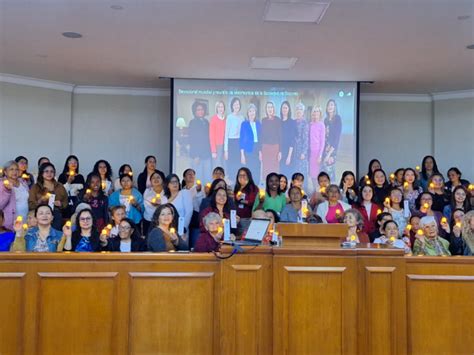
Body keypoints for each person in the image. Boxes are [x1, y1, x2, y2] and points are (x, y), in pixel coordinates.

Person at [28, 162, 68, 230]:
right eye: (46, 171)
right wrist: (40, 201)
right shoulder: (35, 187)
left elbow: (66, 202)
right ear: (41, 173)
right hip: (40, 216)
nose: (49, 174)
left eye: (51, 171)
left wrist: (60, 204)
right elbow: (31, 205)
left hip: (56, 215)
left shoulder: (60, 186)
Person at [162, 174, 193, 245]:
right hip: (167, 229)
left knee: (181, 250)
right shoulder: (164, 198)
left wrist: (183, 228)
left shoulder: (184, 193)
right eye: (172, 182)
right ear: (167, 185)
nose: (175, 184)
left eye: (176, 181)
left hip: (181, 229)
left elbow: (189, 211)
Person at [0, 160, 30, 230]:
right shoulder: (2, 184)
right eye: (11, 169)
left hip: (25, 220)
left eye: (16, 169)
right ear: (5, 172)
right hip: (10, 222)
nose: (14, 172)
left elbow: (27, 199)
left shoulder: (23, 182)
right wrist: (7, 191)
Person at [189, 101, 212, 183]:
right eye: (198, 109)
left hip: (207, 155)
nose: (200, 111)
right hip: (197, 156)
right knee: (198, 179)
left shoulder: (206, 122)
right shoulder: (193, 122)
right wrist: (196, 155)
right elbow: (192, 140)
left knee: (208, 178)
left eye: (202, 109)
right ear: (195, 111)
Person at [239, 104, 262, 184]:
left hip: (257, 149)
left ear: (255, 113)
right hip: (248, 150)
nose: (252, 113)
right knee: (249, 170)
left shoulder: (258, 123)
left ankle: (256, 187)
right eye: (250, 111)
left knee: (257, 170)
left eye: (253, 111)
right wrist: (242, 155)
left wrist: (260, 152)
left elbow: (260, 139)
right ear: (247, 113)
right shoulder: (244, 124)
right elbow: (241, 139)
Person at [321, 99, 342, 181]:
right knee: (324, 173)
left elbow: (336, 138)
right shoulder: (325, 120)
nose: (330, 106)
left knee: (330, 173)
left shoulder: (337, 118)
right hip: (324, 149)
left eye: (332, 105)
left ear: (335, 107)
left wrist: (329, 154)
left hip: (332, 150)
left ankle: (333, 191)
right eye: (328, 105)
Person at [224, 97, 244, 179]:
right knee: (232, 163)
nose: (237, 106)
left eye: (238, 104)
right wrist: (226, 150)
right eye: (235, 104)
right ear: (232, 106)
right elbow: (226, 134)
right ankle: (232, 180)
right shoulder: (229, 117)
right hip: (231, 142)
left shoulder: (242, 117)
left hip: (239, 142)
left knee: (238, 163)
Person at [261, 102, 281, 178]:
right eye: (268, 107)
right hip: (265, 148)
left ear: (273, 109)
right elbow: (262, 136)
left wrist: (280, 151)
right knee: (266, 168)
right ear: (266, 109)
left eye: (271, 107)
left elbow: (280, 136)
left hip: (275, 147)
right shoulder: (263, 120)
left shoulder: (278, 120)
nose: (270, 109)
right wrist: (261, 150)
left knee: (274, 169)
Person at [309, 106, 326, 190]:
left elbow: (323, 142)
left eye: (317, 111)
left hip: (317, 153)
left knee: (316, 174)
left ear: (320, 113)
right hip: (310, 153)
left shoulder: (322, 125)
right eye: (314, 111)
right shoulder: (310, 124)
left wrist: (320, 156)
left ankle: (318, 190)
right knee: (312, 173)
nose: (315, 113)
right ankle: (314, 189)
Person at [279, 101, 296, 179]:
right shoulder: (279, 122)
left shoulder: (292, 122)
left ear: (289, 109)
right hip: (281, 152)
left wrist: (289, 156)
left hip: (289, 152)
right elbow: (278, 138)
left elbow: (292, 140)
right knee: (282, 174)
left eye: (286, 107)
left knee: (289, 176)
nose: (284, 109)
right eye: (283, 107)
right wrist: (279, 152)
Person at [293, 103, 309, 181]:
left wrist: (304, 152)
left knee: (302, 171)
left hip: (302, 152)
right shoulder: (294, 122)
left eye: (300, 110)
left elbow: (306, 139)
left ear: (303, 112)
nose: (299, 112)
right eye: (297, 110)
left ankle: (304, 188)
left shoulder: (305, 123)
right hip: (294, 151)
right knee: (295, 171)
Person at [209, 100, 226, 169]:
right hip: (217, 146)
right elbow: (211, 136)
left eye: (222, 107)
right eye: (219, 107)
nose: (220, 108)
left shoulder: (226, 119)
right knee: (217, 166)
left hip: (225, 145)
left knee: (224, 165)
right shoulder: (213, 119)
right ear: (216, 108)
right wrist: (213, 151)